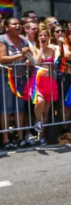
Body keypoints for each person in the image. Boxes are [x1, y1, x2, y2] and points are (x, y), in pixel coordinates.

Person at [0, 17, 34, 149]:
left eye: (19, 24)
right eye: (14, 24)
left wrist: (28, 61)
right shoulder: (2, 39)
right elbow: (2, 59)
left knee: (19, 110)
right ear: (7, 27)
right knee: (6, 110)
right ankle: (6, 140)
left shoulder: (24, 40)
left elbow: (28, 57)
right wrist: (21, 55)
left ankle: (20, 138)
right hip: (6, 79)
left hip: (21, 78)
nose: (18, 26)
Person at [30, 23, 60, 143]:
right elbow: (36, 64)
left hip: (49, 81)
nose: (43, 37)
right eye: (40, 35)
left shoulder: (52, 49)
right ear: (37, 37)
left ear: (48, 37)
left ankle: (41, 137)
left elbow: (53, 65)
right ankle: (37, 121)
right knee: (40, 101)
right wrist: (42, 49)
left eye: (45, 35)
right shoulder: (34, 48)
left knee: (46, 111)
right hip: (37, 80)